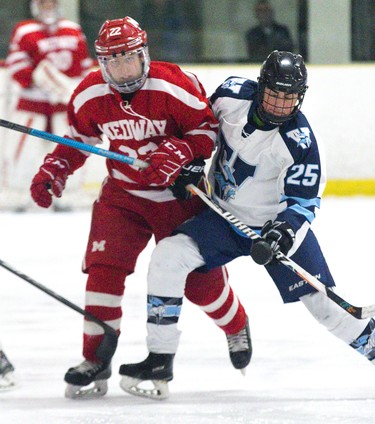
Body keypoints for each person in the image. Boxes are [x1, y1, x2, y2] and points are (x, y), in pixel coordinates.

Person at [119, 50, 375, 399]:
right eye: (275, 94)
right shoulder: (230, 94)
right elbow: (202, 131)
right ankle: (160, 358)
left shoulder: (301, 143)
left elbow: (303, 204)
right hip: (222, 216)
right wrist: (188, 162)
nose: (282, 104)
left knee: (327, 310)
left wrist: (282, 233)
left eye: (290, 97)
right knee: (167, 257)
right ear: (260, 87)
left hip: (271, 230)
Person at [29, 16, 251, 400]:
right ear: (101, 63)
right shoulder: (89, 94)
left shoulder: (173, 85)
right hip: (123, 196)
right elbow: (79, 137)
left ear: (144, 54)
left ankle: (236, 325)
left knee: (200, 283)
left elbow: (207, 129)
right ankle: (94, 358)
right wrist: (56, 168)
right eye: (112, 62)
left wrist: (183, 151)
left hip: (177, 198)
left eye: (128, 59)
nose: (122, 69)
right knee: (102, 274)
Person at [4, 0, 93, 211]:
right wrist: (41, 79)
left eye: (52, 2)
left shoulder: (73, 29)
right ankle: (17, 196)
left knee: (70, 150)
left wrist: (67, 88)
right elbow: (16, 66)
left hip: (63, 107)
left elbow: (83, 66)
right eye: (43, 2)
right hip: (32, 104)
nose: (48, 6)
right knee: (22, 152)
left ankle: (67, 195)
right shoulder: (25, 30)